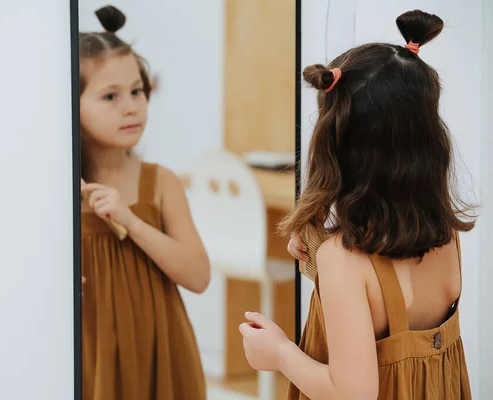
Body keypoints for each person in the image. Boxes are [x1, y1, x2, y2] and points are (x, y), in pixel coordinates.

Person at [239, 10, 475, 399]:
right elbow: (390, 311)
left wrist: (279, 353)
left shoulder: (344, 261)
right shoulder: (445, 236)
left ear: (335, 145)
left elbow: (352, 392)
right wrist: (318, 253)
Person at [79, 6, 209, 399]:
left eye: (137, 91)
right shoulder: (52, 197)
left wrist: (129, 220)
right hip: (90, 354)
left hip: (160, 349)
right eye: (110, 96)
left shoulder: (160, 183)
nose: (131, 107)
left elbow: (198, 276)